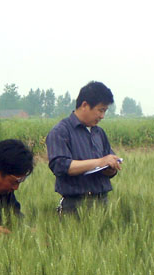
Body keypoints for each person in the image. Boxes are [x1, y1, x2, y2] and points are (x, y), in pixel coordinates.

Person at [45, 81, 122, 214]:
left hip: (102, 202)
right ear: (85, 105)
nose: (102, 116)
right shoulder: (61, 131)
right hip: (74, 205)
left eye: (105, 111)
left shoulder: (99, 133)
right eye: (100, 110)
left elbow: (107, 160)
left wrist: (111, 169)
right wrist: (99, 162)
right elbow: (60, 165)